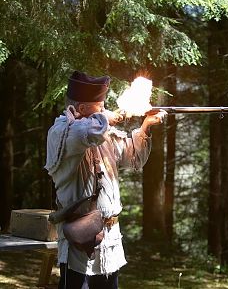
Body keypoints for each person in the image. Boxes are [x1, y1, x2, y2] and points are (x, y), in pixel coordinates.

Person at [45, 71, 166, 289]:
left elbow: (134, 158)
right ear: (82, 109)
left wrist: (146, 125)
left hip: (109, 238)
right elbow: (88, 132)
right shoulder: (62, 132)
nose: (104, 110)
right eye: (100, 106)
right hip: (79, 237)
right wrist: (105, 117)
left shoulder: (101, 131)